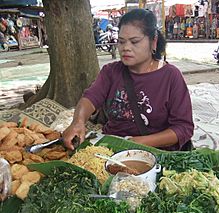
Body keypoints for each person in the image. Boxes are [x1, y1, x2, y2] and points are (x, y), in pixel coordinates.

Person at [63, 8, 194, 151]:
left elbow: (183, 128)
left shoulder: (171, 76)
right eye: (121, 41)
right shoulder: (111, 72)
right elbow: (90, 98)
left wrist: (140, 142)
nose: (125, 48)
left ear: (153, 42)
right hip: (110, 149)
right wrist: (78, 121)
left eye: (134, 41)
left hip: (155, 152)